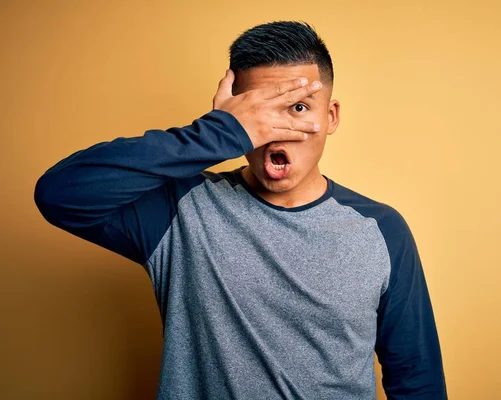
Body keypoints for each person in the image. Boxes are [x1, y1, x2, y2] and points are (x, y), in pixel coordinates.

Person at [34, 20, 447, 400]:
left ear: (331, 116)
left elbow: (416, 378)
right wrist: (216, 133)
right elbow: (60, 193)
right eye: (259, 113)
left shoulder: (382, 231)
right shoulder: (181, 212)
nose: (276, 130)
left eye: (299, 108)